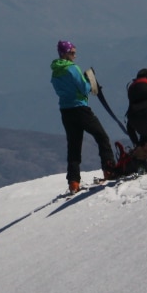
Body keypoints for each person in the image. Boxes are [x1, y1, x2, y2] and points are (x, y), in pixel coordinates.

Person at [50, 40, 115, 192]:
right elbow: (85, 88)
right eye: (72, 53)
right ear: (65, 54)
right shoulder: (73, 69)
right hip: (80, 108)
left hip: (65, 111)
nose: (75, 55)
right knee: (102, 136)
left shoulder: (55, 71)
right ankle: (109, 169)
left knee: (74, 146)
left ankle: (73, 182)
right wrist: (89, 80)